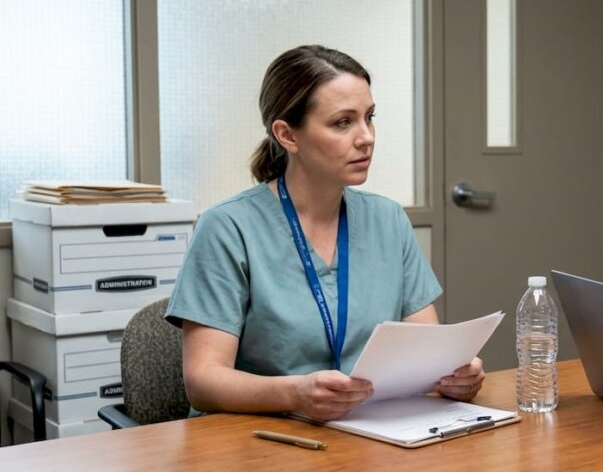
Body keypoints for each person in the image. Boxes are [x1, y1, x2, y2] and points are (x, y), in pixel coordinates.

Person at [166, 45, 484, 422]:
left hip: (367, 433)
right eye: (343, 123)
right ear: (287, 135)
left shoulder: (388, 220)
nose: (366, 137)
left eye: (369, 117)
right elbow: (202, 381)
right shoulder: (227, 227)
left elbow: (428, 351)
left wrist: (453, 374)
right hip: (259, 436)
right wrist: (295, 393)